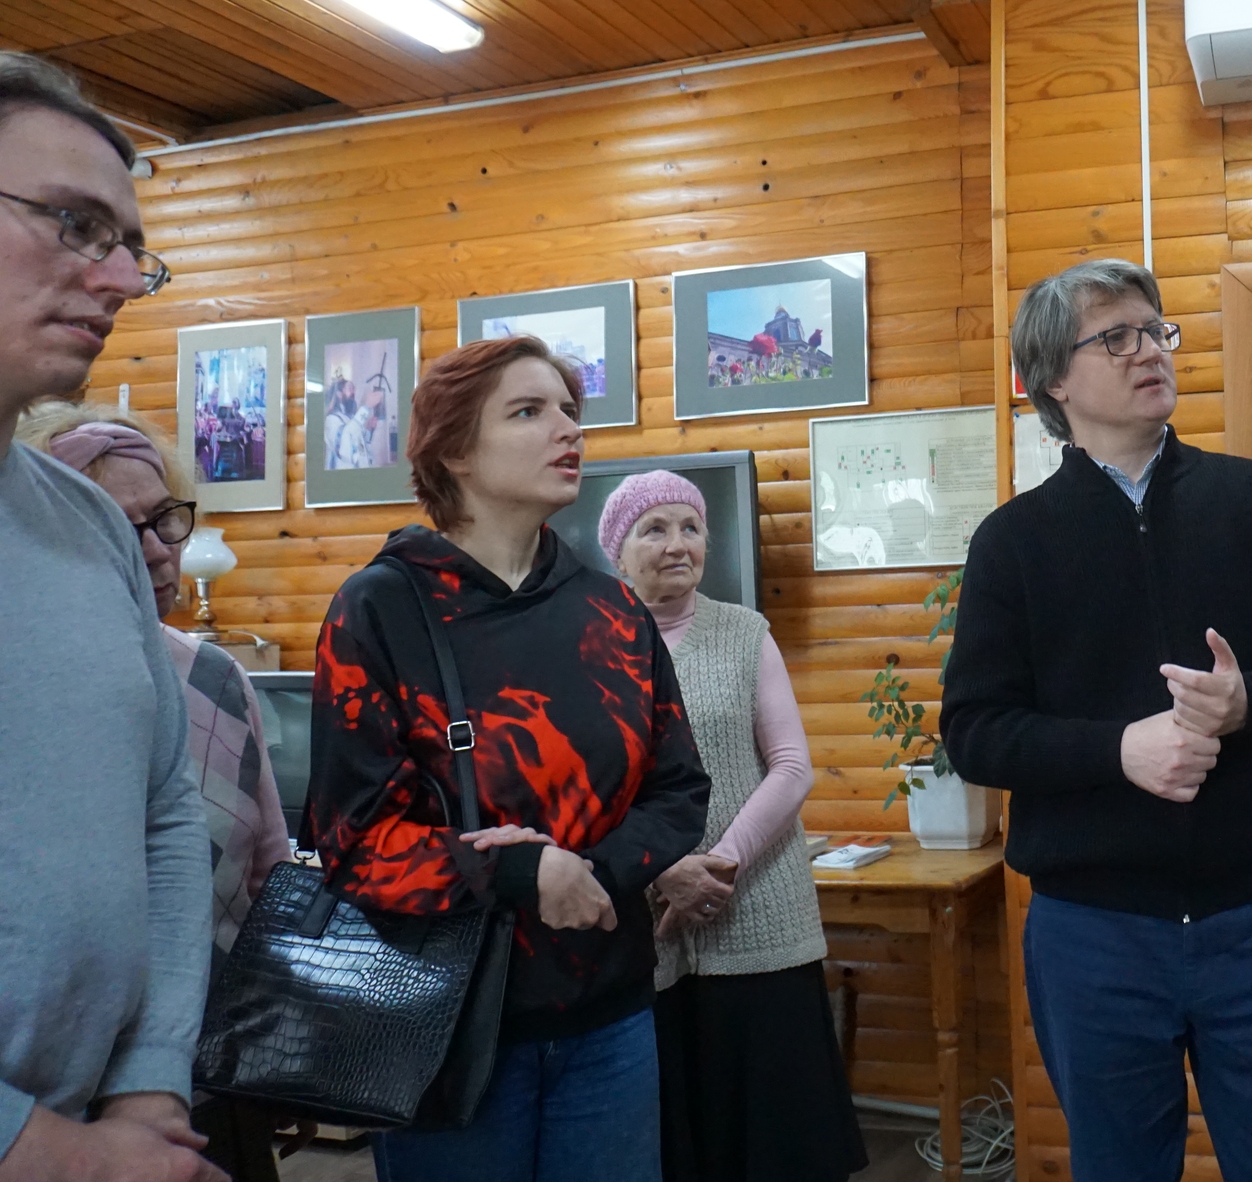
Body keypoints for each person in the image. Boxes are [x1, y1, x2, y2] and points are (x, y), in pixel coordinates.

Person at [940, 258, 1252, 1181]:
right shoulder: (1012, 542)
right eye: (1117, 338)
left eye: (1156, 330)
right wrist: (1118, 750)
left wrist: (1248, 701)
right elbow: (974, 731)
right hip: (1093, 934)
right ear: (1054, 379)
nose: (1150, 351)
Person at [306, 335, 712, 1182]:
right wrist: (523, 874)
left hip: (610, 1021)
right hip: (447, 1025)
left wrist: (589, 874)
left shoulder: (613, 613)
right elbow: (354, 840)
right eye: (528, 412)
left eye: (568, 409)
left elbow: (678, 789)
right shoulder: (379, 609)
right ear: (454, 450)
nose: (568, 429)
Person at [0, 50, 225, 1182]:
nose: (125, 279)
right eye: (75, 225)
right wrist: (42, 1151)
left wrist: (149, 1084)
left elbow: (167, 816)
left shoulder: (89, 523)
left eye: (132, 245)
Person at [19, 403, 293, 1182]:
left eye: (164, 519)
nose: (154, 550)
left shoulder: (215, 675)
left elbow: (267, 866)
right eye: (116, 523)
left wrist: (279, 1043)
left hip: (215, 1071)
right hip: (53, 1102)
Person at [596, 471, 868, 1182]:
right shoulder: (592, 648)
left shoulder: (746, 634)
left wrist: (720, 864)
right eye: (655, 529)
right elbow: (582, 788)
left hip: (757, 914)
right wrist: (663, 871)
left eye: (691, 527)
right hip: (645, 924)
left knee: (777, 1142)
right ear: (617, 551)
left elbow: (791, 767)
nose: (677, 544)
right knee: (673, 1141)